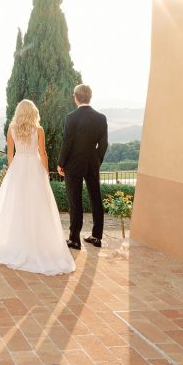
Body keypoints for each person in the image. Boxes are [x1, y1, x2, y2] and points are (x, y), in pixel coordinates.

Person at [0, 100, 76, 275]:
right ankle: (35, 242)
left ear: (18, 112)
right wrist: (45, 172)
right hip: (34, 166)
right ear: (34, 112)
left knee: (16, 205)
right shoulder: (38, 130)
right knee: (37, 205)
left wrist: (13, 170)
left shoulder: (11, 129)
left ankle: (16, 241)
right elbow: (43, 153)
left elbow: (10, 153)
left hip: (18, 166)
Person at [57, 84, 108, 250]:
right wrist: (96, 161)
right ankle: (96, 236)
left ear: (75, 97)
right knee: (96, 199)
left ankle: (74, 239)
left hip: (73, 165)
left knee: (75, 202)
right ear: (90, 97)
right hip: (92, 163)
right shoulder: (101, 118)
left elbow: (67, 143)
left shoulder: (71, 117)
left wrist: (60, 163)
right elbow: (104, 144)